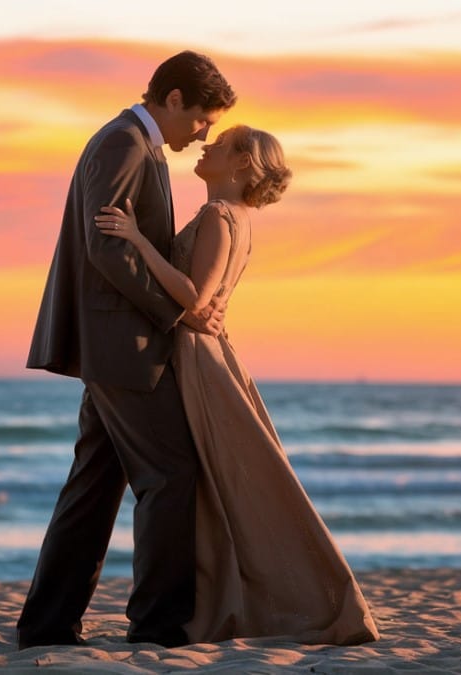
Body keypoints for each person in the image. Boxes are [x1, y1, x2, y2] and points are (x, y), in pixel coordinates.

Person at [95, 125, 380, 644]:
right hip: (207, 352)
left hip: (197, 359)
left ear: (243, 163)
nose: (206, 146)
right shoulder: (236, 218)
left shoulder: (219, 217)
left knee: (213, 483)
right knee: (217, 484)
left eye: (220, 145)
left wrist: (135, 239)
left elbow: (196, 300)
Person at [19, 50, 237, 649]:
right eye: (202, 119)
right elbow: (106, 248)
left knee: (94, 486)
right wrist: (180, 310)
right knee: (170, 475)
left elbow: (137, 247)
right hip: (125, 344)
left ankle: (47, 627)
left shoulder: (138, 146)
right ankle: (157, 628)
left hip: (117, 343)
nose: (204, 134)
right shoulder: (123, 143)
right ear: (171, 99)